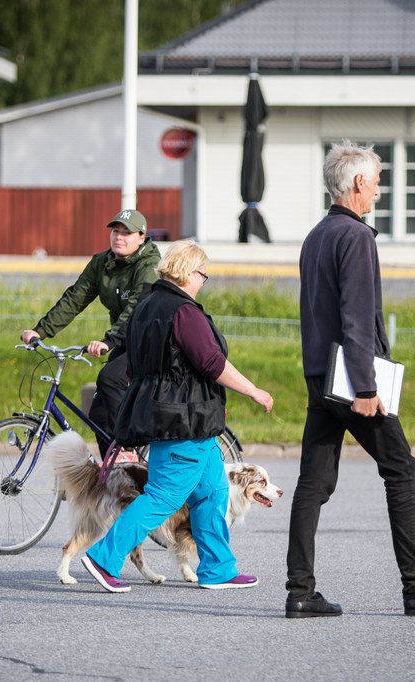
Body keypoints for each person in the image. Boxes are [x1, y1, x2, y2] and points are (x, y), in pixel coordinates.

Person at [285, 141, 415, 618]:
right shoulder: (356, 236)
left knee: (313, 483)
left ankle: (300, 591)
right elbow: (356, 318)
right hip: (352, 380)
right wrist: (367, 388)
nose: (378, 191)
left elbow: (317, 315)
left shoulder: (315, 236)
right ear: (358, 183)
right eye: (375, 182)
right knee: (402, 470)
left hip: (319, 375)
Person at [81, 240, 274, 593]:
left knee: (213, 492)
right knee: (163, 498)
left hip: (179, 419)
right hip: (185, 420)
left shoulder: (146, 304)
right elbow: (212, 363)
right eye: (203, 274)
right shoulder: (183, 312)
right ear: (187, 272)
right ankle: (103, 558)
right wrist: (253, 390)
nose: (203, 281)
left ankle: (218, 569)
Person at [21, 209, 160, 457]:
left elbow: (136, 310)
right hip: (125, 340)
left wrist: (108, 341)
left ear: (141, 238)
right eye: (115, 231)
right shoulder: (102, 263)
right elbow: (75, 299)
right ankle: (114, 471)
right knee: (98, 414)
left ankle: (128, 450)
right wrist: (40, 331)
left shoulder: (148, 266)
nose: (119, 237)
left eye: (126, 233)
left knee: (110, 379)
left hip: (151, 341)